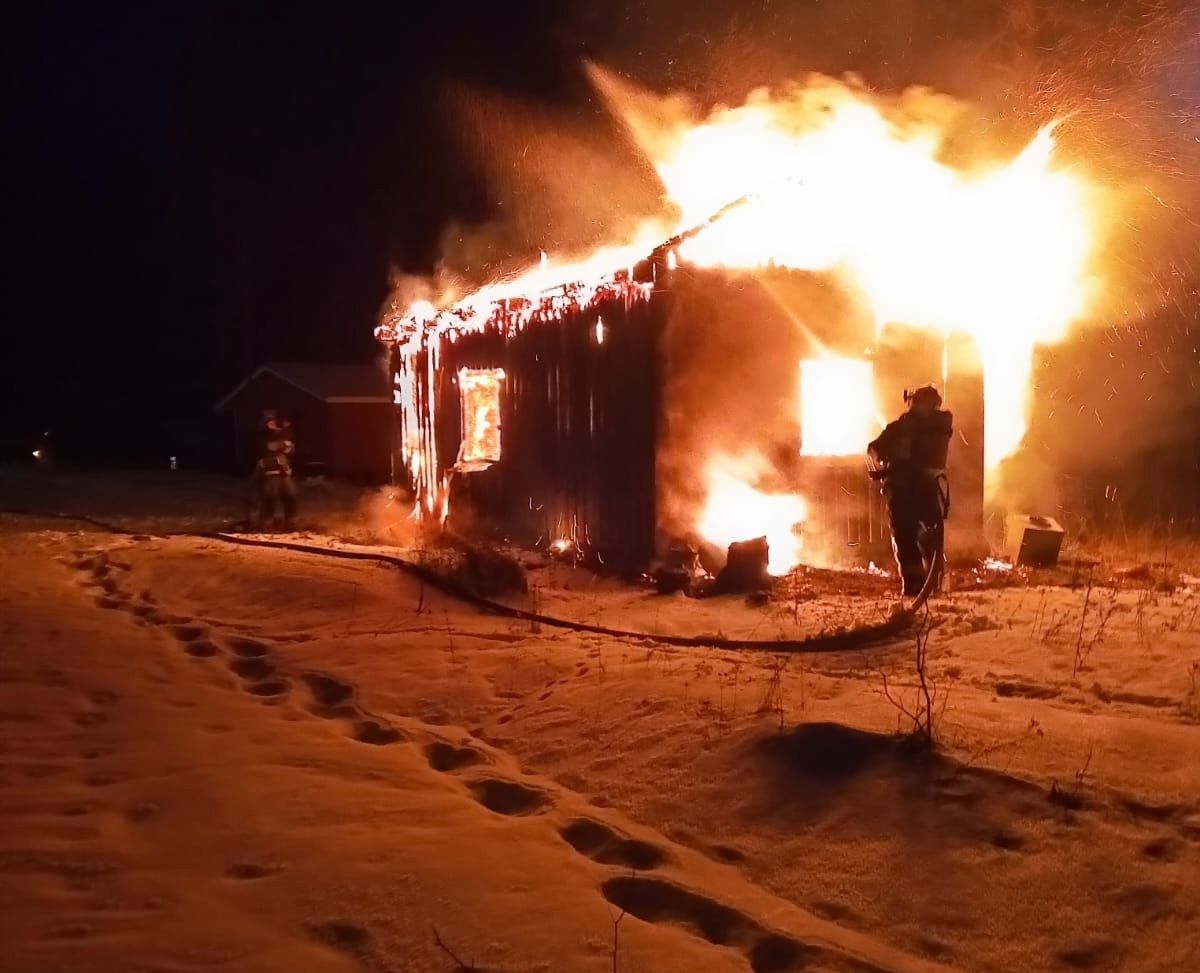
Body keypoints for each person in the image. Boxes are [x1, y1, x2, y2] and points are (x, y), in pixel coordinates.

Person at [867, 385, 952, 597]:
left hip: (902, 488)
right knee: (930, 536)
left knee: (905, 538)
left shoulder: (902, 427)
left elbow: (875, 448)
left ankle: (915, 585)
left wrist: (881, 462)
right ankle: (935, 580)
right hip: (928, 488)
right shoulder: (941, 426)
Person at [252, 409, 298, 530]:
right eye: (268, 421)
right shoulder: (262, 436)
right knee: (270, 497)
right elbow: (269, 447)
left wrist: (284, 446)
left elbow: (290, 448)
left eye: (273, 420)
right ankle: (267, 524)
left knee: (291, 495)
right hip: (270, 472)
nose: (272, 423)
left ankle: (290, 522)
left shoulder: (284, 432)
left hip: (284, 471)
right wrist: (281, 445)